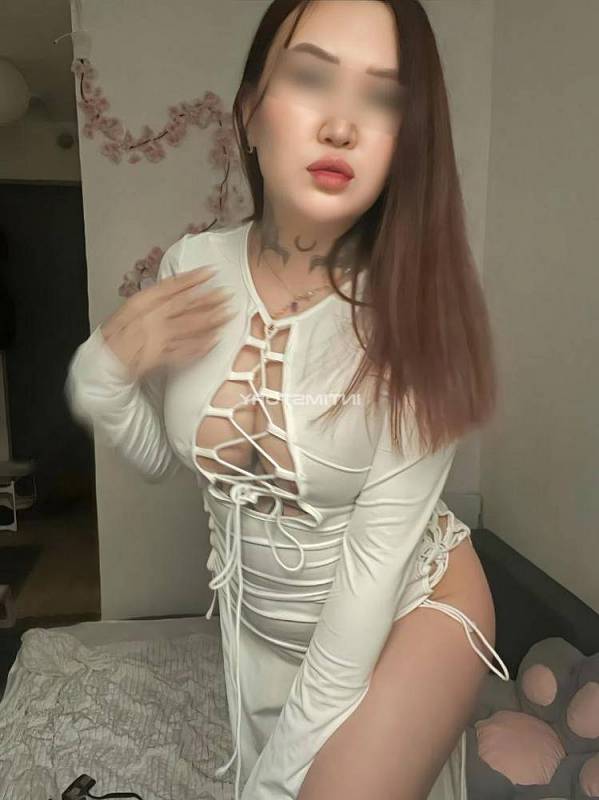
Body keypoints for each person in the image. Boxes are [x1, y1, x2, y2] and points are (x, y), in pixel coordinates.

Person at [65, 1, 511, 798]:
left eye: (382, 97)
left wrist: (275, 787)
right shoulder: (192, 267)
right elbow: (168, 463)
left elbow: (371, 572)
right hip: (258, 629)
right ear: (249, 113)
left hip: (409, 608)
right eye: (310, 78)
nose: (340, 126)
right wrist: (100, 377)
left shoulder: (418, 309)